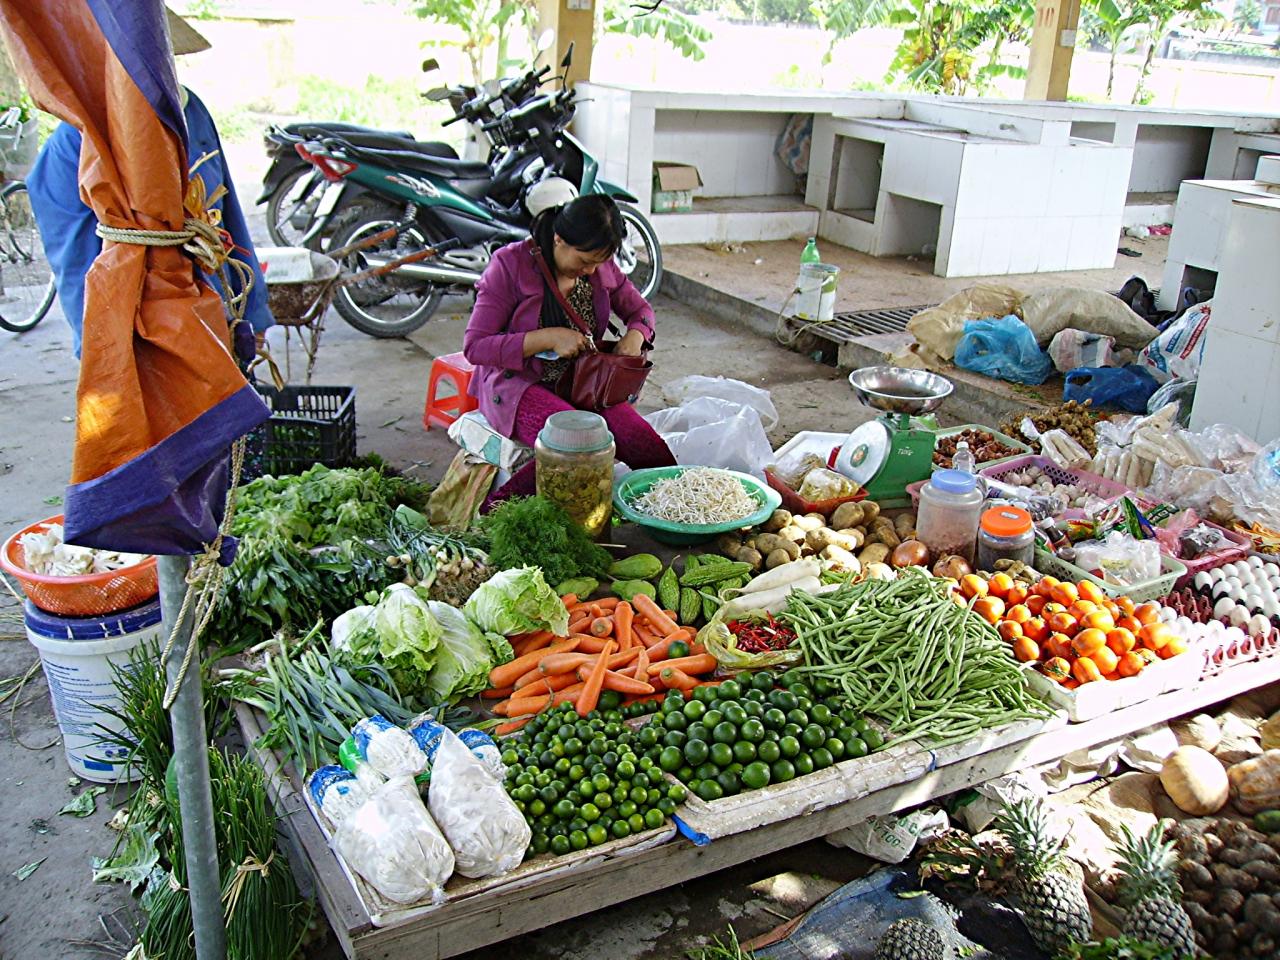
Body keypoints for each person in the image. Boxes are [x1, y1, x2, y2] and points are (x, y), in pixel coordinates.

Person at [25, 10, 272, 360]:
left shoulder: (191, 111)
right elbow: (76, 267)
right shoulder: (73, 146)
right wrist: (106, 354)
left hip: (216, 311)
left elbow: (227, 215)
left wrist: (253, 312)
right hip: (143, 335)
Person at [464, 192, 675, 505]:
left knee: (646, 447)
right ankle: (496, 511)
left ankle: (676, 516)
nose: (591, 271)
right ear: (558, 239)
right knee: (577, 443)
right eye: (585, 261)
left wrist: (636, 334)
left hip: (586, 384)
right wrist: (547, 338)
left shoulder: (600, 267)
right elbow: (475, 346)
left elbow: (640, 310)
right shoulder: (509, 265)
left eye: (599, 262)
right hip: (519, 386)